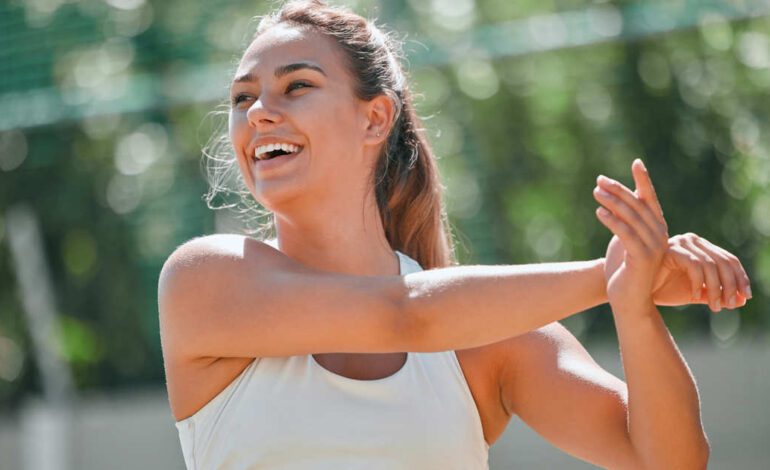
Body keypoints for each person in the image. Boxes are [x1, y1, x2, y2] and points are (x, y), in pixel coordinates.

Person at [158, 1, 752, 468]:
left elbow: (669, 461)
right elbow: (404, 315)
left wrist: (636, 306)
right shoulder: (205, 280)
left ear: (375, 118)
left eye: (297, 86)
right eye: (242, 97)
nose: (259, 110)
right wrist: (611, 276)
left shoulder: (485, 337)